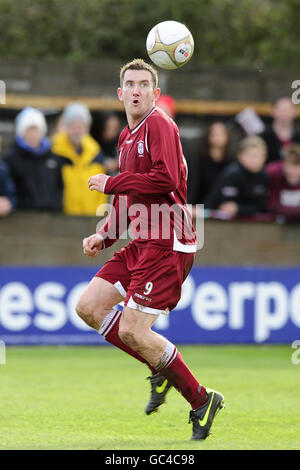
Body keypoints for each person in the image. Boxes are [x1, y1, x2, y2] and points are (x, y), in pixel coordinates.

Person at [75, 59, 224, 441]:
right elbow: (130, 196)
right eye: (130, 84)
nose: (137, 90)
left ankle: (200, 398)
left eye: (145, 84)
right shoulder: (126, 137)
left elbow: (166, 179)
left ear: (155, 94)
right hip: (142, 240)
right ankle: (160, 366)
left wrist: (110, 181)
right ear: (120, 93)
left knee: (133, 329)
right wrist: (105, 235)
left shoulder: (159, 124)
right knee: (89, 307)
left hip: (168, 241)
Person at [52, 102, 108, 216]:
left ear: (87, 128)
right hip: (63, 220)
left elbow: (102, 190)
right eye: (73, 126)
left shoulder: (95, 152)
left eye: (81, 126)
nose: (77, 130)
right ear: (66, 127)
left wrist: (99, 214)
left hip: (91, 219)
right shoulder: (54, 151)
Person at [2, 107, 62, 212]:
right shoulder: (11, 158)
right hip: (21, 218)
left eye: (36, 130)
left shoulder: (52, 157)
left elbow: (59, 187)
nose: (33, 134)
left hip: (51, 218)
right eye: (29, 130)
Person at [205, 135, 269, 219]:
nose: (256, 160)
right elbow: (227, 207)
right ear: (240, 156)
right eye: (252, 155)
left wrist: (239, 208)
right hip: (216, 219)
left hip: (251, 220)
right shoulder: (231, 175)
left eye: (260, 156)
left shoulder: (264, 176)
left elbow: (262, 205)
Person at [188, 121, 232, 205]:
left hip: (222, 207)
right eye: (214, 134)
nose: (217, 137)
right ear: (208, 136)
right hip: (199, 206)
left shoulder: (231, 162)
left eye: (221, 134)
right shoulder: (199, 160)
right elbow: (194, 185)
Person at [259, 96, 300, 164]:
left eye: (288, 110)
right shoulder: (262, 138)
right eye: (281, 110)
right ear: (272, 111)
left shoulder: (298, 138)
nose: (285, 113)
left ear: (294, 112)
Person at [266, 143, 300, 220]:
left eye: (297, 167)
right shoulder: (272, 173)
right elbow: (270, 205)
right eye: (290, 165)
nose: (293, 171)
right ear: (283, 164)